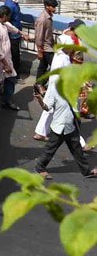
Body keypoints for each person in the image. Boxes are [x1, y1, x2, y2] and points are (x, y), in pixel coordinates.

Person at [36, 43, 95, 178]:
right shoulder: (54, 90)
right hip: (59, 125)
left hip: (71, 123)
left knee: (76, 150)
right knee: (51, 149)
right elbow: (47, 107)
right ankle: (39, 167)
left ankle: (86, 172)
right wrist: (40, 101)